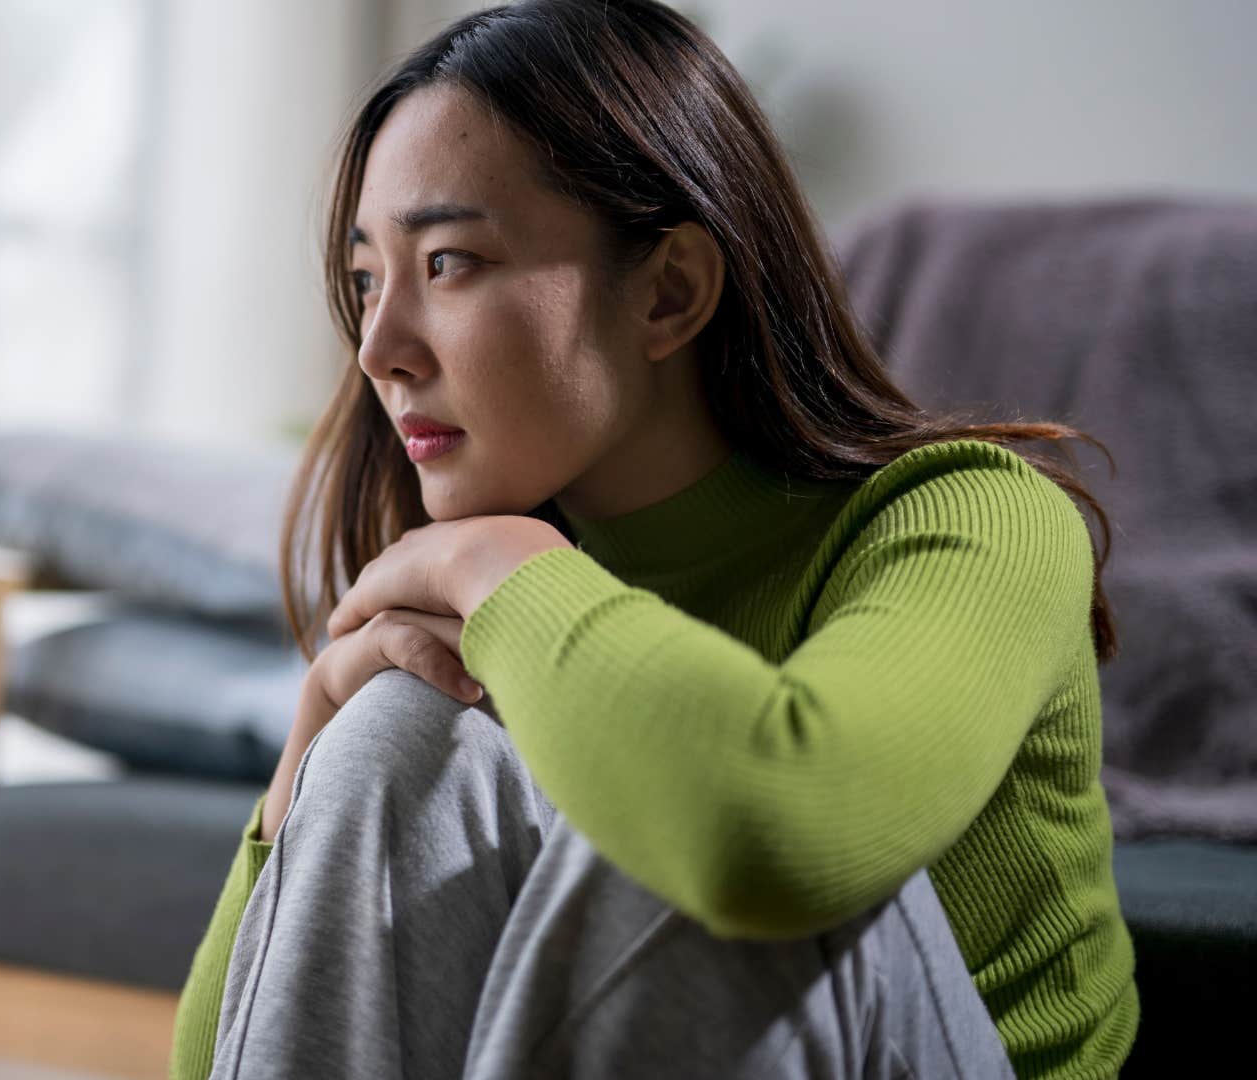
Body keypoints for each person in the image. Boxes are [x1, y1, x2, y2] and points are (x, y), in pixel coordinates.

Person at [169, 1, 1138, 1077]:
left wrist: (499, 566)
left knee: (665, 820)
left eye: (447, 263)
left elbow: (770, 836)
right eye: (366, 281)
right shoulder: (498, 614)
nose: (380, 349)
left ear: (669, 291)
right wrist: (309, 750)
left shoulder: (977, 518)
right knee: (398, 728)